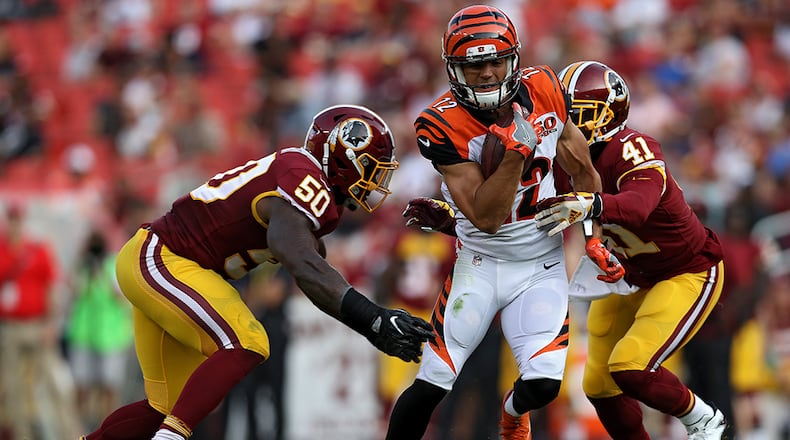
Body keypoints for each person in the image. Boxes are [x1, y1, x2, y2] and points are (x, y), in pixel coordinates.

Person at [81, 104, 435, 440]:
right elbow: (301, 261)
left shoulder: (308, 192)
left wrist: (370, 327)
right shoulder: (302, 176)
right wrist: (373, 318)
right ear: (341, 157)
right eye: (372, 168)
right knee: (248, 341)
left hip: (162, 260)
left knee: (167, 406)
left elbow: (315, 276)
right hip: (164, 260)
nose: (376, 181)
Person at [386, 6, 623, 440]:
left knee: (544, 383)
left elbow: (587, 175)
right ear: (455, 70)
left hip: (542, 263)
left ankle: (512, 414)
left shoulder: (547, 87)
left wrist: (592, 237)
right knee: (433, 382)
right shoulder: (438, 124)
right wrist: (517, 152)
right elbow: (489, 218)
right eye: (475, 65)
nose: (488, 73)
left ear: (514, 58)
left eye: (496, 61)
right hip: (481, 262)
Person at [533, 60, 727, 439]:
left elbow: (638, 207)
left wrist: (592, 205)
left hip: (684, 270)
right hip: (627, 276)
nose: (565, 124)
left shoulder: (632, 147)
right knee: (599, 387)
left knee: (631, 367)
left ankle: (702, 417)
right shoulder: (564, 161)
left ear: (607, 114)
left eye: (575, 115)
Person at [0, 202, 81, 439]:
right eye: (11, 219)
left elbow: (51, 287)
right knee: (13, 388)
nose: (14, 225)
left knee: (53, 382)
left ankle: (69, 433)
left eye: (18, 220)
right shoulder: (2, 250)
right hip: (11, 326)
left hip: (37, 325)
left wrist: (51, 323)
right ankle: (22, 434)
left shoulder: (37, 249)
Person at [65, 228, 134, 431]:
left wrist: (103, 274)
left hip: (110, 337)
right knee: (82, 385)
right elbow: (74, 292)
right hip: (84, 335)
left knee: (109, 386)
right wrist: (84, 268)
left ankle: (107, 429)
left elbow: (121, 297)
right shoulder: (83, 267)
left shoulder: (112, 265)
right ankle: (77, 430)